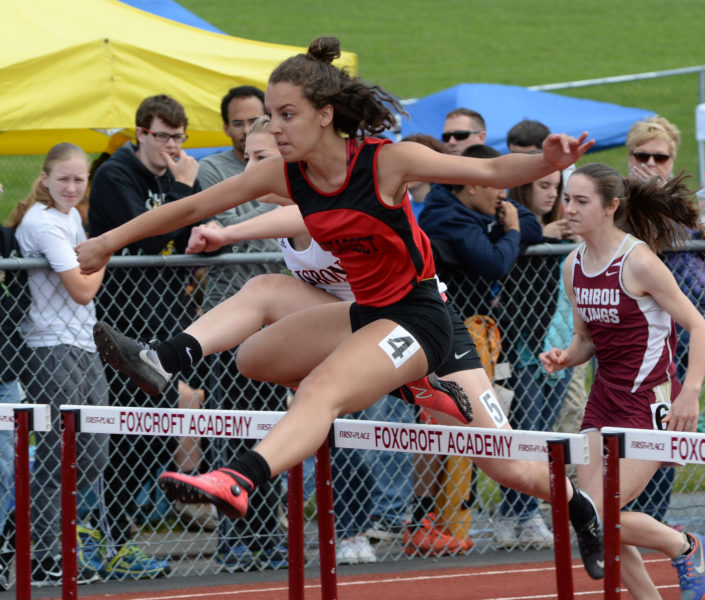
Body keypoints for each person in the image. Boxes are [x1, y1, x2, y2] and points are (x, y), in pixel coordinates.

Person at [75, 36, 602, 577]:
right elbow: (191, 206)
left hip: (422, 320)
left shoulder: (387, 163)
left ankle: (239, 476)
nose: (273, 128)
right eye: (269, 115)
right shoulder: (283, 175)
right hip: (366, 316)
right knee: (252, 359)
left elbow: (489, 174)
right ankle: (174, 360)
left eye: (286, 115)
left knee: (504, 464)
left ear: (326, 115)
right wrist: (106, 242)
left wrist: (546, 161)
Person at [540, 162, 705, 598]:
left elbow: (699, 325)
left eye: (581, 201)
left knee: (597, 512)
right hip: (604, 400)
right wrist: (565, 356)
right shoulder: (573, 266)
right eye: (567, 199)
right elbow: (585, 339)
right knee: (588, 519)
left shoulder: (639, 262)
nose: (569, 209)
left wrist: (690, 393)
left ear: (611, 207)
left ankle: (687, 546)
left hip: (646, 401)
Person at [87, 93, 200, 578]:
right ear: (140, 134)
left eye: (178, 138)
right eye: (161, 137)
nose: (171, 148)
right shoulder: (117, 174)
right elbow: (149, 237)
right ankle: (101, 532)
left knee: (154, 435)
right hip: (123, 324)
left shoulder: (167, 178)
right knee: (124, 435)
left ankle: (116, 531)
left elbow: (188, 233)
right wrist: (182, 189)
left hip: (164, 321)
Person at [6, 143, 109, 586]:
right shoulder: (43, 222)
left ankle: (21, 524)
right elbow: (82, 289)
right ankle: (45, 557)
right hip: (48, 346)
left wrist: (93, 255)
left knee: (95, 451)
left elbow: (85, 279)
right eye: (63, 179)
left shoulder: (72, 217)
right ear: (45, 178)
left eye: (78, 180)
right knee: (55, 454)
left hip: (84, 341)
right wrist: (102, 253)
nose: (71, 187)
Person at [197, 88, 288, 571]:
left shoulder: (286, 168)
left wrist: (269, 195)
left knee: (269, 434)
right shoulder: (214, 171)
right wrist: (272, 193)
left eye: (258, 122)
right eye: (238, 124)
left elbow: (245, 220)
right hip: (229, 318)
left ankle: (266, 533)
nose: (245, 131)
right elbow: (221, 227)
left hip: (278, 324)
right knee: (227, 432)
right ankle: (231, 537)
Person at [491, 166, 573, 549]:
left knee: (547, 436)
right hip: (526, 348)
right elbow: (502, 264)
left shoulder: (568, 234)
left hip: (563, 347)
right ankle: (517, 514)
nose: (550, 195)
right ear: (525, 188)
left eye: (556, 188)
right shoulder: (513, 229)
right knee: (526, 433)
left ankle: (524, 513)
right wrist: (540, 236)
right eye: (543, 185)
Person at [0, 218, 29, 589]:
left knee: (5, 468)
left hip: (4, 372)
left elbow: (23, 290)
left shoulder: (6, 238)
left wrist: (5, 322)